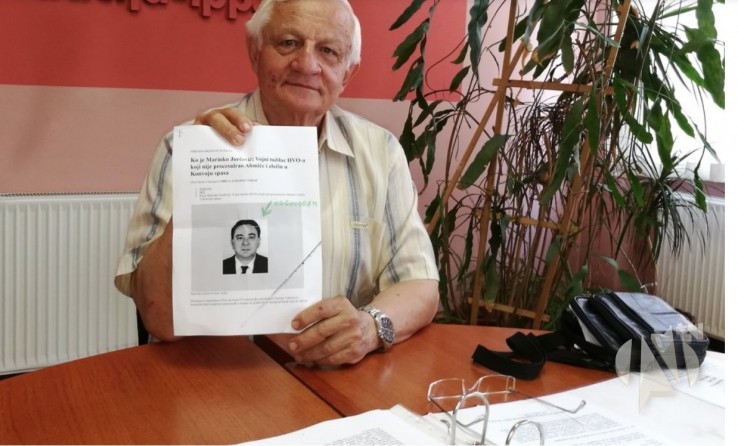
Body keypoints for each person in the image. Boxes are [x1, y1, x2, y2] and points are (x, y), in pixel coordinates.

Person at [114, 0, 439, 366]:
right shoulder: (187, 148)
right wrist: (201, 186)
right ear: (254, 52)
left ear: (347, 73)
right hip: (210, 378)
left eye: (328, 51)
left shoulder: (381, 153)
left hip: (334, 379)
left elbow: (421, 284)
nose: (306, 64)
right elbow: (156, 315)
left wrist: (370, 327)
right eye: (288, 43)